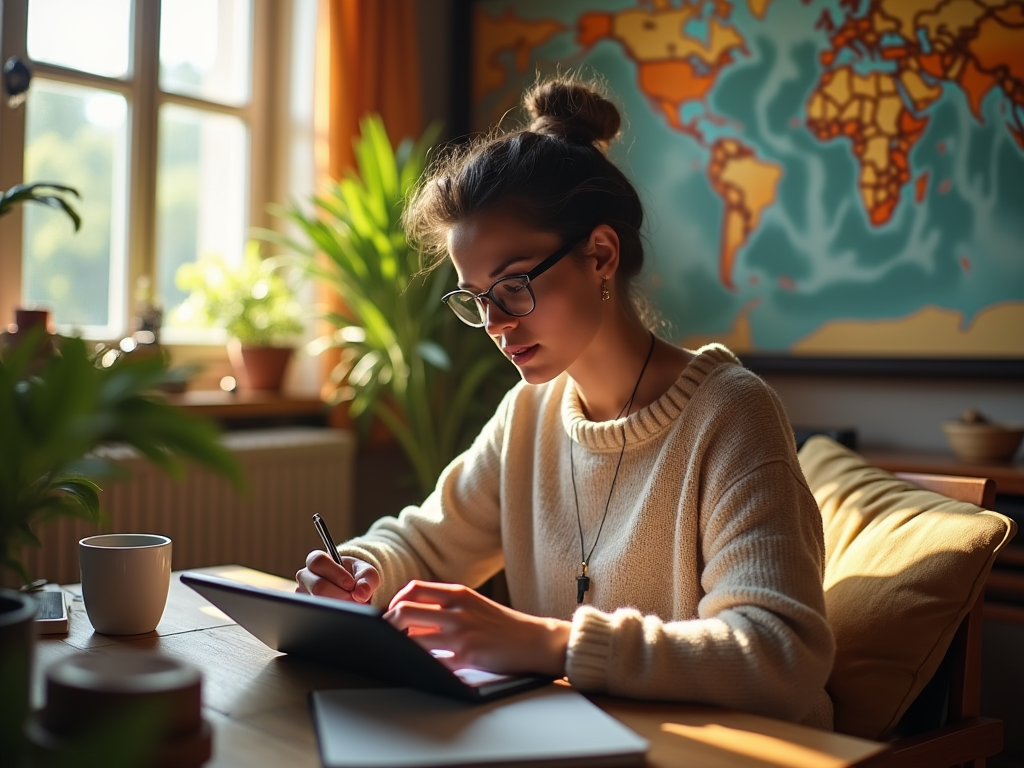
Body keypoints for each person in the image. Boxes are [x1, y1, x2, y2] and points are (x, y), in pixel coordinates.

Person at [296, 75, 836, 728]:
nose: (495, 323)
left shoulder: (731, 416)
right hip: (574, 738)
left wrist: (552, 642)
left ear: (600, 254)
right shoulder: (529, 415)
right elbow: (427, 543)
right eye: (475, 297)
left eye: (514, 284)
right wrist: (361, 570)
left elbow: (780, 654)